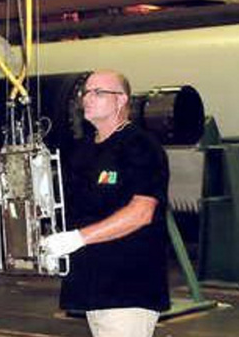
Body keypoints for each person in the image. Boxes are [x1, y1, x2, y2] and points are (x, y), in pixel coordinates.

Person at [40, 69, 170, 337]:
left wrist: (78, 238)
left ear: (121, 100)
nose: (88, 98)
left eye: (98, 92)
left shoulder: (140, 146)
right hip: (93, 286)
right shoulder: (83, 150)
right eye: (86, 92)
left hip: (127, 287)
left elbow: (141, 212)